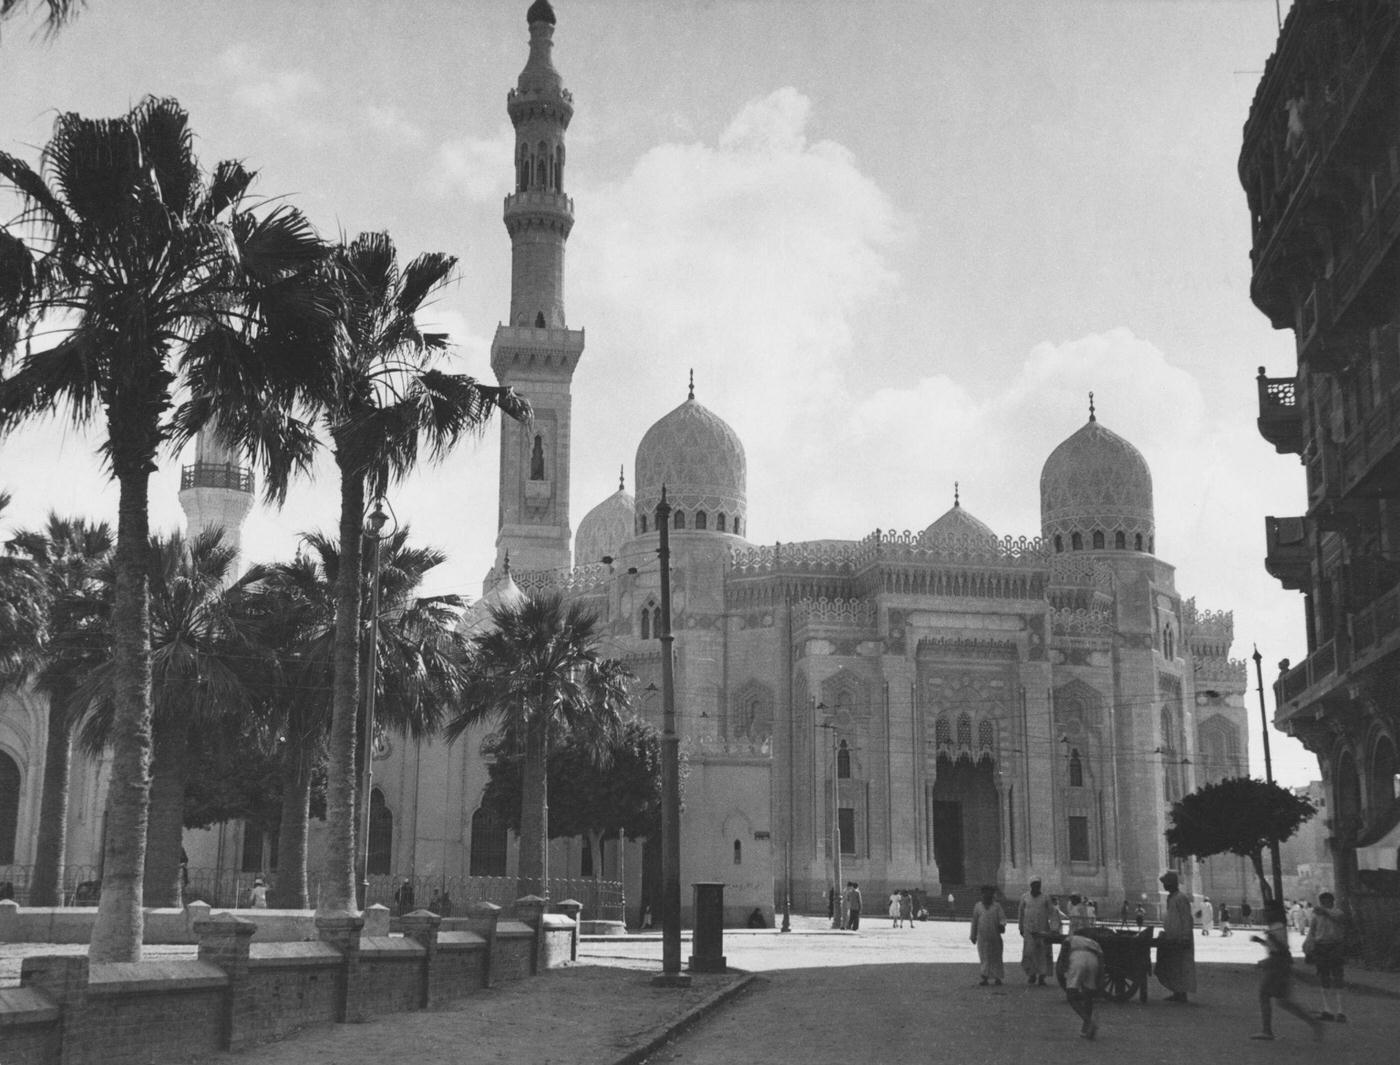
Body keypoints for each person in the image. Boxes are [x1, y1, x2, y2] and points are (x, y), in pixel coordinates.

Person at [1250, 900, 1324, 1042]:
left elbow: (1282, 948)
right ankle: (1314, 1023)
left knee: (1265, 994)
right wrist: (1261, 941)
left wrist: (1270, 942)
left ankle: (1267, 1030)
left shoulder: (1278, 927)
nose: (1266, 913)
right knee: (1283, 1001)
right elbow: (1275, 946)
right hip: (1277, 962)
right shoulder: (1276, 927)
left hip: (1277, 963)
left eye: (1269, 910)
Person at [1053, 929, 1104, 1040]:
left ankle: (1088, 1021)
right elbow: (1101, 961)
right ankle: (1085, 1029)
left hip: (1077, 959)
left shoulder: (1071, 938)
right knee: (1088, 996)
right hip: (1093, 961)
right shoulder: (1095, 943)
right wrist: (1100, 980)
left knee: (1071, 996)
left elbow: (1064, 952)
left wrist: (1063, 967)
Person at [1305, 892, 1348, 1022]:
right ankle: (1327, 1009)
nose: (1324, 904)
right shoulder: (1317, 916)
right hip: (1321, 946)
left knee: (1338, 977)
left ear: (1332, 901)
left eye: (1327, 901)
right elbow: (1312, 931)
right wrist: (1308, 944)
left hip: (1335, 946)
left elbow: (1339, 919)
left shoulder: (1338, 912)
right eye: (1322, 901)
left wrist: (1325, 912)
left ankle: (1341, 1011)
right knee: (1324, 977)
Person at [1156, 870, 1196, 1003]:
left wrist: (1185, 936)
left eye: (1165, 884)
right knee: (1174, 964)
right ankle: (1176, 992)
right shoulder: (1172, 897)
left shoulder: (1180, 898)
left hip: (1180, 937)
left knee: (1181, 965)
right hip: (1172, 936)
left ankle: (1181, 994)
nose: (1164, 886)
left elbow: (1186, 918)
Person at [1017, 877, 1055, 985]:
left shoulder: (1045, 897)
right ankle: (1031, 974)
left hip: (1043, 929)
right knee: (1029, 952)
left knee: (1043, 952)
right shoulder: (1024, 897)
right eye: (1034, 884)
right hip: (1029, 930)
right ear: (1030, 885)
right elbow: (1021, 913)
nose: (1036, 887)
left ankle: (1042, 976)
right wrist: (1020, 927)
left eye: (1038, 884)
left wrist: (1053, 928)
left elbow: (1052, 913)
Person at [970, 885, 1007, 986]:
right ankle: (984, 977)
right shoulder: (978, 906)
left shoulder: (997, 906)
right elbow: (974, 922)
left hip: (995, 936)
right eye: (985, 893)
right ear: (982, 895)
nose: (988, 895)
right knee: (984, 957)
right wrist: (973, 936)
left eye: (990, 893)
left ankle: (998, 978)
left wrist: (1002, 925)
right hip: (982, 937)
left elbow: (1002, 918)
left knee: (996, 957)